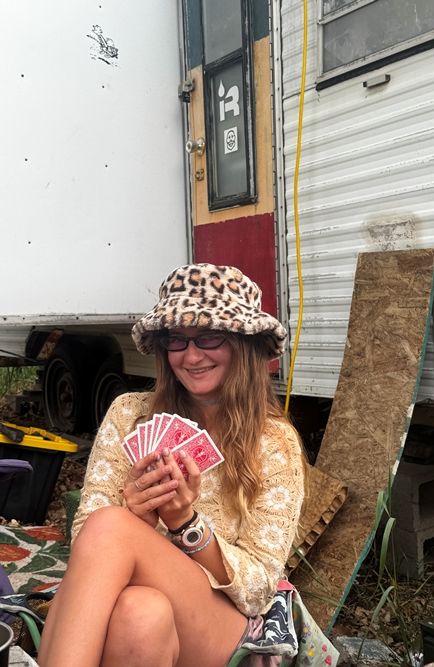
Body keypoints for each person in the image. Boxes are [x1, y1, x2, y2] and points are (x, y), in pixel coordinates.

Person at [38, 263, 306, 667]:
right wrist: (139, 517)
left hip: (223, 619)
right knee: (140, 613)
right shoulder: (129, 414)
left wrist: (186, 524)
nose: (191, 356)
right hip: (134, 602)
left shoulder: (274, 442)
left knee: (111, 526)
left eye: (210, 336)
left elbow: (257, 589)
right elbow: (86, 551)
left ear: (244, 344)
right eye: (176, 339)